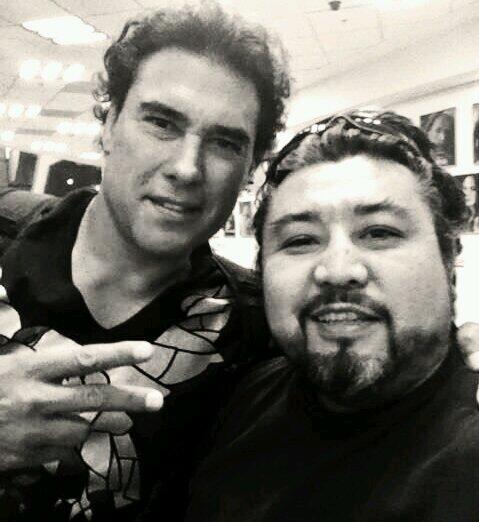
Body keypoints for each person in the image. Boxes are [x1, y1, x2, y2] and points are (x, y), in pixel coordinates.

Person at [0, 4, 289, 520]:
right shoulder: (5, 240)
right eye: (161, 122)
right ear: (108, 124)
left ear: (249, 170)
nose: (187, 168)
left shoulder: (260, 332)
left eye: (225, 142)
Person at [185, 110, 479, 521]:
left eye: (380, 232)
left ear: (449, 260)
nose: (338, 270)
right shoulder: (245, 395)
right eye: (301, 240)